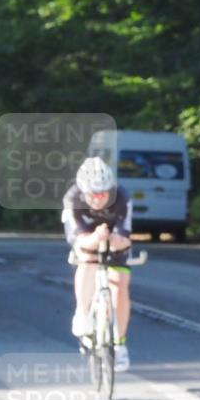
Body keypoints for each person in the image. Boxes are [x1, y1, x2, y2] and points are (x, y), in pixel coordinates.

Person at [63, 156, 135, 372]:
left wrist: (112, 239)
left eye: (103, 193)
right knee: (88, 260)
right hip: (87, 238)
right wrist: (96, 238)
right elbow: (80, 240)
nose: (98, 199)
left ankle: (119, 345)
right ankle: (82, 314)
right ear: (83, 191)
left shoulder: (122, 197)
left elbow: (125, 239)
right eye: (92, 194)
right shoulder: (73, 198)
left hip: (114, 239)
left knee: (119, 283)